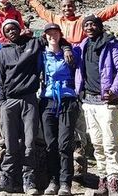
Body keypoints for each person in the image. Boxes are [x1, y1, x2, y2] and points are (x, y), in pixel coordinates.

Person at [22, 0, 118, 180]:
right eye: (64, 7)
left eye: (70, 6)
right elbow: (42, 12)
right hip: (59, 66)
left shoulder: (82, 22)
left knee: (79, 122)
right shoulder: (56, 20)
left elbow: (103, 15)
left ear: (74, 7)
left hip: (77, 64)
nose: (67, 9)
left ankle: (83, 157)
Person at [0, 19, 71, 195]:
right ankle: (7, 180)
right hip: (9, 101)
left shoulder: (33, 43)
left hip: (29, 100)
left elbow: (54, 38)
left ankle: (29, 181)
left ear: (20, 29)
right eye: (7, 30)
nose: (11, 32)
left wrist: (66, 48)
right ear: (5, 33)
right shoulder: (3, 52)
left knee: (30, 143)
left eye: (14, 28)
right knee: (10, 143)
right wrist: (2, 101)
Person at [77, 15, 118, 196]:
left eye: (93, 24)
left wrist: (114, 90)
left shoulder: (111, 45)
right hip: (88, 101)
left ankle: (114, 180)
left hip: (107, 102)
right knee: (97, 143)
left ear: (99, 26)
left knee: (110, 143)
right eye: (86, 25)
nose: (89, 27)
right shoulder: (83, 46)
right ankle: (102, 180)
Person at [39, 24, 82, 196]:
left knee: (65, 144)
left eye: (55, 33)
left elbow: (81, 67)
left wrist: (66, 47)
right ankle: (53, 181)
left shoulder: (71, 53)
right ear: (45, 36)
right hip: (48, 100)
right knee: (50, 144)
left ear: (60, 34)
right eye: (49, 34)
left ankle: (65, 183)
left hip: (67, 99)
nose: (52, 36)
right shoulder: (41, 55)